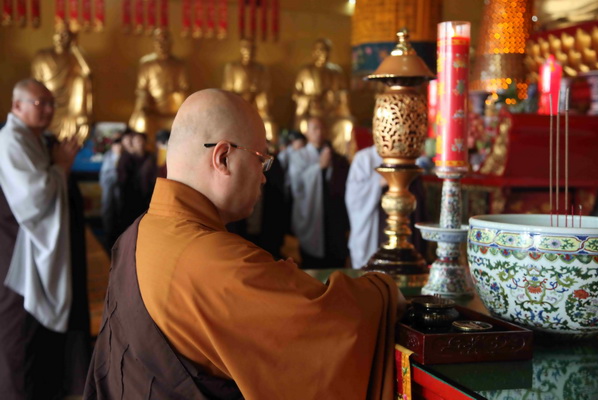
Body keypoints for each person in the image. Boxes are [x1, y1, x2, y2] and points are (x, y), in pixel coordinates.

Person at [85, 89, 403, 399]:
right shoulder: (217, 263)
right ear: (222, 158)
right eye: (260, 161)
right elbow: (333, 325)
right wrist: (385, 291)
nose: (263, 177)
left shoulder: (139, 232)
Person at [0, 79, 90, 399]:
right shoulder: (11, 140)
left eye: (52, 103)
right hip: (16, 254)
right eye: (41, 103)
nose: (50, 110)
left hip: (37, 249)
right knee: (18, 337)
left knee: (39, 337)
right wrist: (61, 166)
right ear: (17, 106)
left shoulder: (35, 139)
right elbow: (33, 198)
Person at [345, 145, 428, 269]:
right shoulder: (364, 158)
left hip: (403, 222)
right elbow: (354, 196)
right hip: (374, 225)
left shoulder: (408, 158)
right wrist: (379, 182)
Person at [288, 117, 350, 269]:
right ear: (307, 132)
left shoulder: (337, 158)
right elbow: (297, 185)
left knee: (337, 264)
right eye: (315, 128)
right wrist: (319, 168)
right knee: (313, 266)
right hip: (311, 213)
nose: (319, 132)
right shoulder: (299, 156)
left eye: (322, 128)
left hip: (334, 217)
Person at [31, 24, 93, 145]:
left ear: (71, 38)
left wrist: (76, 49)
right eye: (57, 33)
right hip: (47, 101)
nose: (60, 38)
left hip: (70, 106)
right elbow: (34, 84)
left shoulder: (74, 57)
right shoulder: (42, 56)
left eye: (65, 35)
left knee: (81, 80)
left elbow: (88, 73)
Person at [293, 38, 355, 158]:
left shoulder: (336, 72)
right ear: (314, 52)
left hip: (331, 113)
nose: (323, 53)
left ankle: (340, 157)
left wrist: (334, 97)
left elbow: (343, 94)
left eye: (326, 50)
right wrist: (310, 98)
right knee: (305, 124)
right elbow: (296, 94)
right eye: (320, 50)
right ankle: (307, 156)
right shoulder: (305, 71)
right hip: (312, 112)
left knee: (346, 123)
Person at [129, 29, 188, 149]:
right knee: (142, 121)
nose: (161, 44)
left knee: (186, 124)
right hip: (152, 111)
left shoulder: (179, 65)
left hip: (173, 112)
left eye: (165, 41)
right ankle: (144, 153)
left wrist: (182, 108)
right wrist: (143, 106)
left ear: (171, 43)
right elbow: (141, 90)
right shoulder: (146, 64)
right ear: (153, 43)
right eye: (158, 41)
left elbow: (184, 89)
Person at [222, 37, 278, 143]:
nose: (249, 51)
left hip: (257, 106)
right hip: (238, 106)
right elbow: (226, 92)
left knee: (269, 124)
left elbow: (266, 90)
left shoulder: (261, 69)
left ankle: (271, 148)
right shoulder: (232, 67)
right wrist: (245, 95)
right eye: (246, 47)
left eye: (252, 48)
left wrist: (257, 94)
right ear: (241, 49)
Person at [117, 131, 157, 231]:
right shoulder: (126, 158)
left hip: (148, 196)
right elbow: (122, 179)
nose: (139, 143)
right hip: (130, 197)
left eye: (141, 140)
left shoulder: (150, 157)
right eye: (136, 141)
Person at [99, 131, 124, 252]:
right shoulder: (108, 156)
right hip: (109, 191)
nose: (118, 145)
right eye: (115, 142)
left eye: (120, 142)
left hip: (122, 193)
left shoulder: (126, 156)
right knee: (108, 214)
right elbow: (104, 177)